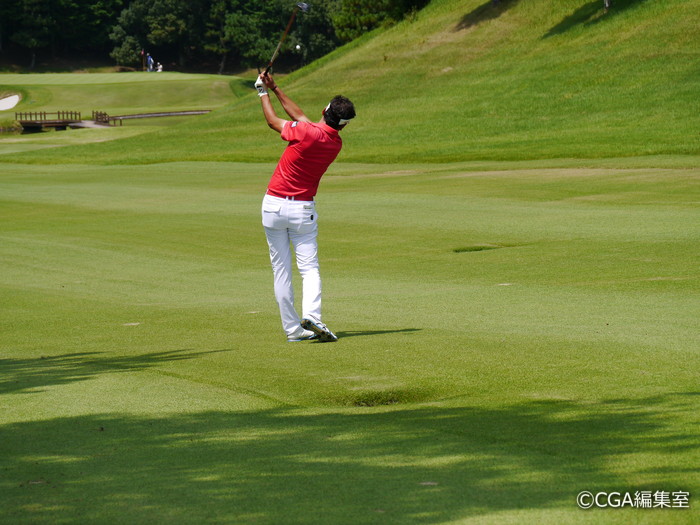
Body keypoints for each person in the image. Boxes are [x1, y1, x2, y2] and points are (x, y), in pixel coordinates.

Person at [255, 72, 356, 342]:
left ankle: (293, 330)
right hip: (302, 211)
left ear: (324, 110)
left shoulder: (305, 131)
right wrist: (275, 87)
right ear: (344, 125)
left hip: (273, 206)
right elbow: (301, 117)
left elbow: (273, 121)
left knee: (281, 271)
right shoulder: (334, 143)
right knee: (309, 268)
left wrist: (262, 91)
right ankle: (312, 316)